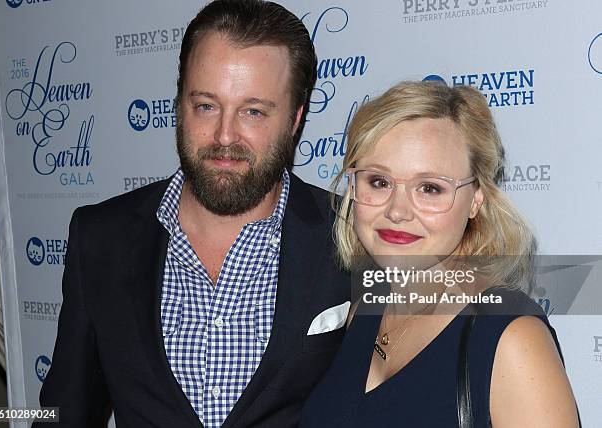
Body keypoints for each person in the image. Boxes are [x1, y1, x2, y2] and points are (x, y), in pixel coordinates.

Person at [35, 1, 351, 427]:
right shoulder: (100, 238)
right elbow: (64, 413)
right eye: (206, 105)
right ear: (180, 104)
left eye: (253, 111)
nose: (224, 135)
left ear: (295, 119)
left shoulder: (352, 234)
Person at [300, 81, 580, 427]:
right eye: (379, 181)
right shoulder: (364, 304)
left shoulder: (512, 340)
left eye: (430, 188)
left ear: (476, 198)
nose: (398, 211)